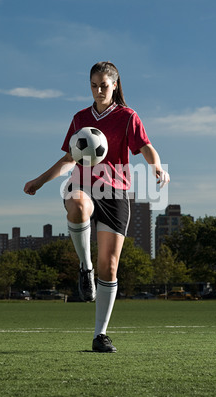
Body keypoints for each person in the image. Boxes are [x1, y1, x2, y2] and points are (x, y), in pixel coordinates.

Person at [24, 61, 170, 353]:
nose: (99, 90)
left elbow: (145, 147)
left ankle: (100, 335)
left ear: (115, 85)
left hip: (116, 195)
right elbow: (68, 159)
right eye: (94, 85)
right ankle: (84, 266)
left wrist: (156, 166)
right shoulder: (79, 118)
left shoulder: (128, 117)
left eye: (104, 85)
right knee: (77, 204)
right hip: (83, 187)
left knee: (111, 266)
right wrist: (39, 180)